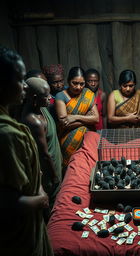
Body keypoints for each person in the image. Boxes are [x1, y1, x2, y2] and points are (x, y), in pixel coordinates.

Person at [0, 47, 53, 255]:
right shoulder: (6, 135)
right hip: (19, 233)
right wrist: (41, 198)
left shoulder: (12, 124)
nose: (24, 86)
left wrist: (37, 181)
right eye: (20, 80)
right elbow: (8, 202)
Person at [21, 77, 62, 213]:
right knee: (52, 206)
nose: (50, 98)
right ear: (34, 98)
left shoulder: (42, 109)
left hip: (55, 164)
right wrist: (54, 175)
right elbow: (44, 155)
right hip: (48, 172)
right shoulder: (34, 122)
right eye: (46, 96)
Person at [55, 66, 99, 170]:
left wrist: (75, 117)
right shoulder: (61, 96)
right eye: (74, 83)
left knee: (88, 169)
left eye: (82, 84)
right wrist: (87, 120)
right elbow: (64, 124)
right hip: (68, 142)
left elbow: (96, 119)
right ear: (68, 81)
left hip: (88, 141)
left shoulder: (88, 94)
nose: (78, 87)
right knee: (72, 170)